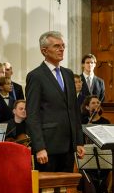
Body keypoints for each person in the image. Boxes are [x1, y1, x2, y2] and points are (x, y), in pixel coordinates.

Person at [26, 31, 84, 173]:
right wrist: (39, 147)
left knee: (65, 191)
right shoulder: (36, 76)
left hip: (69, 146)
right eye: (57, 46)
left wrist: (78, 141)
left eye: (63, 46)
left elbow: (74, 110)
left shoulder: (68, 73)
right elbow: (33, 114)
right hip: (48, 147)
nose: (61, 49)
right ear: (44, 51)